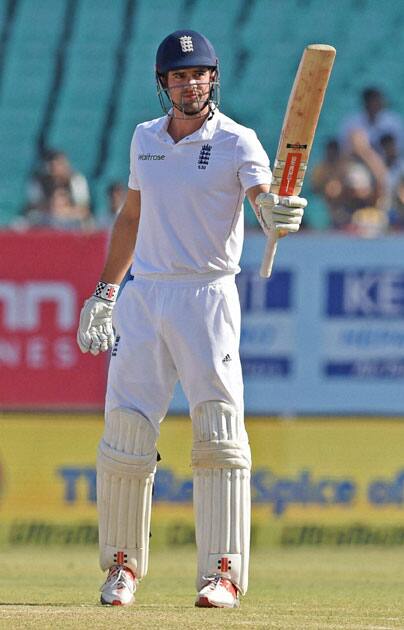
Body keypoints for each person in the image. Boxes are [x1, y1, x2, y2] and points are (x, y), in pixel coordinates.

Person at [76, 30, 306, 609]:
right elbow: (131, 218)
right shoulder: (144, 139)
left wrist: (274, 211)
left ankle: (222, 573)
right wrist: (105, 293)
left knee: (219, 434)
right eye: (179, 76)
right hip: (145, 295)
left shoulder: (238, 141)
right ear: (164, 84)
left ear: (213, 79)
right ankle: (122, 568)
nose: (189, 84)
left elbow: (260, 196)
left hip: (207, 295)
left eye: (198, 74)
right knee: (125, 433)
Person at [26, 149, 90, 216]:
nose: (56, 169)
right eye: (53, 166)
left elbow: (84, 209)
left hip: (71, 219)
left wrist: (63, 212)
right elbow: (33, 206)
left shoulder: (77, 180)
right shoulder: (38, 181)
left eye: (60, 164)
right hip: (45, 219)